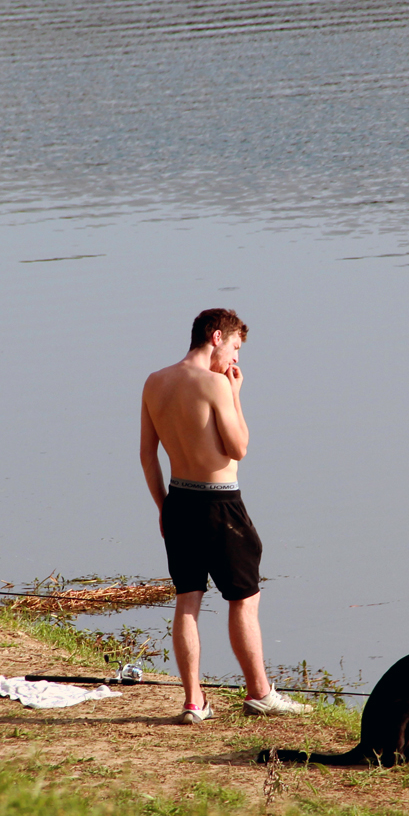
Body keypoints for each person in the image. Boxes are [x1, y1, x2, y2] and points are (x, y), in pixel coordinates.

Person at [140, 308, 313, 723]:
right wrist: (235, 394)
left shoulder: (154, 381)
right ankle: (259, 693)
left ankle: (193, 701)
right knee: (244, 599)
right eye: (235, 348)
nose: (235, 360)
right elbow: (238, 448)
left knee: (187, 600)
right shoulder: (215, 384)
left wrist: (163, 507)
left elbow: (148, 455)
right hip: (220, 505)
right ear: (216, 337)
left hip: (179, 501)